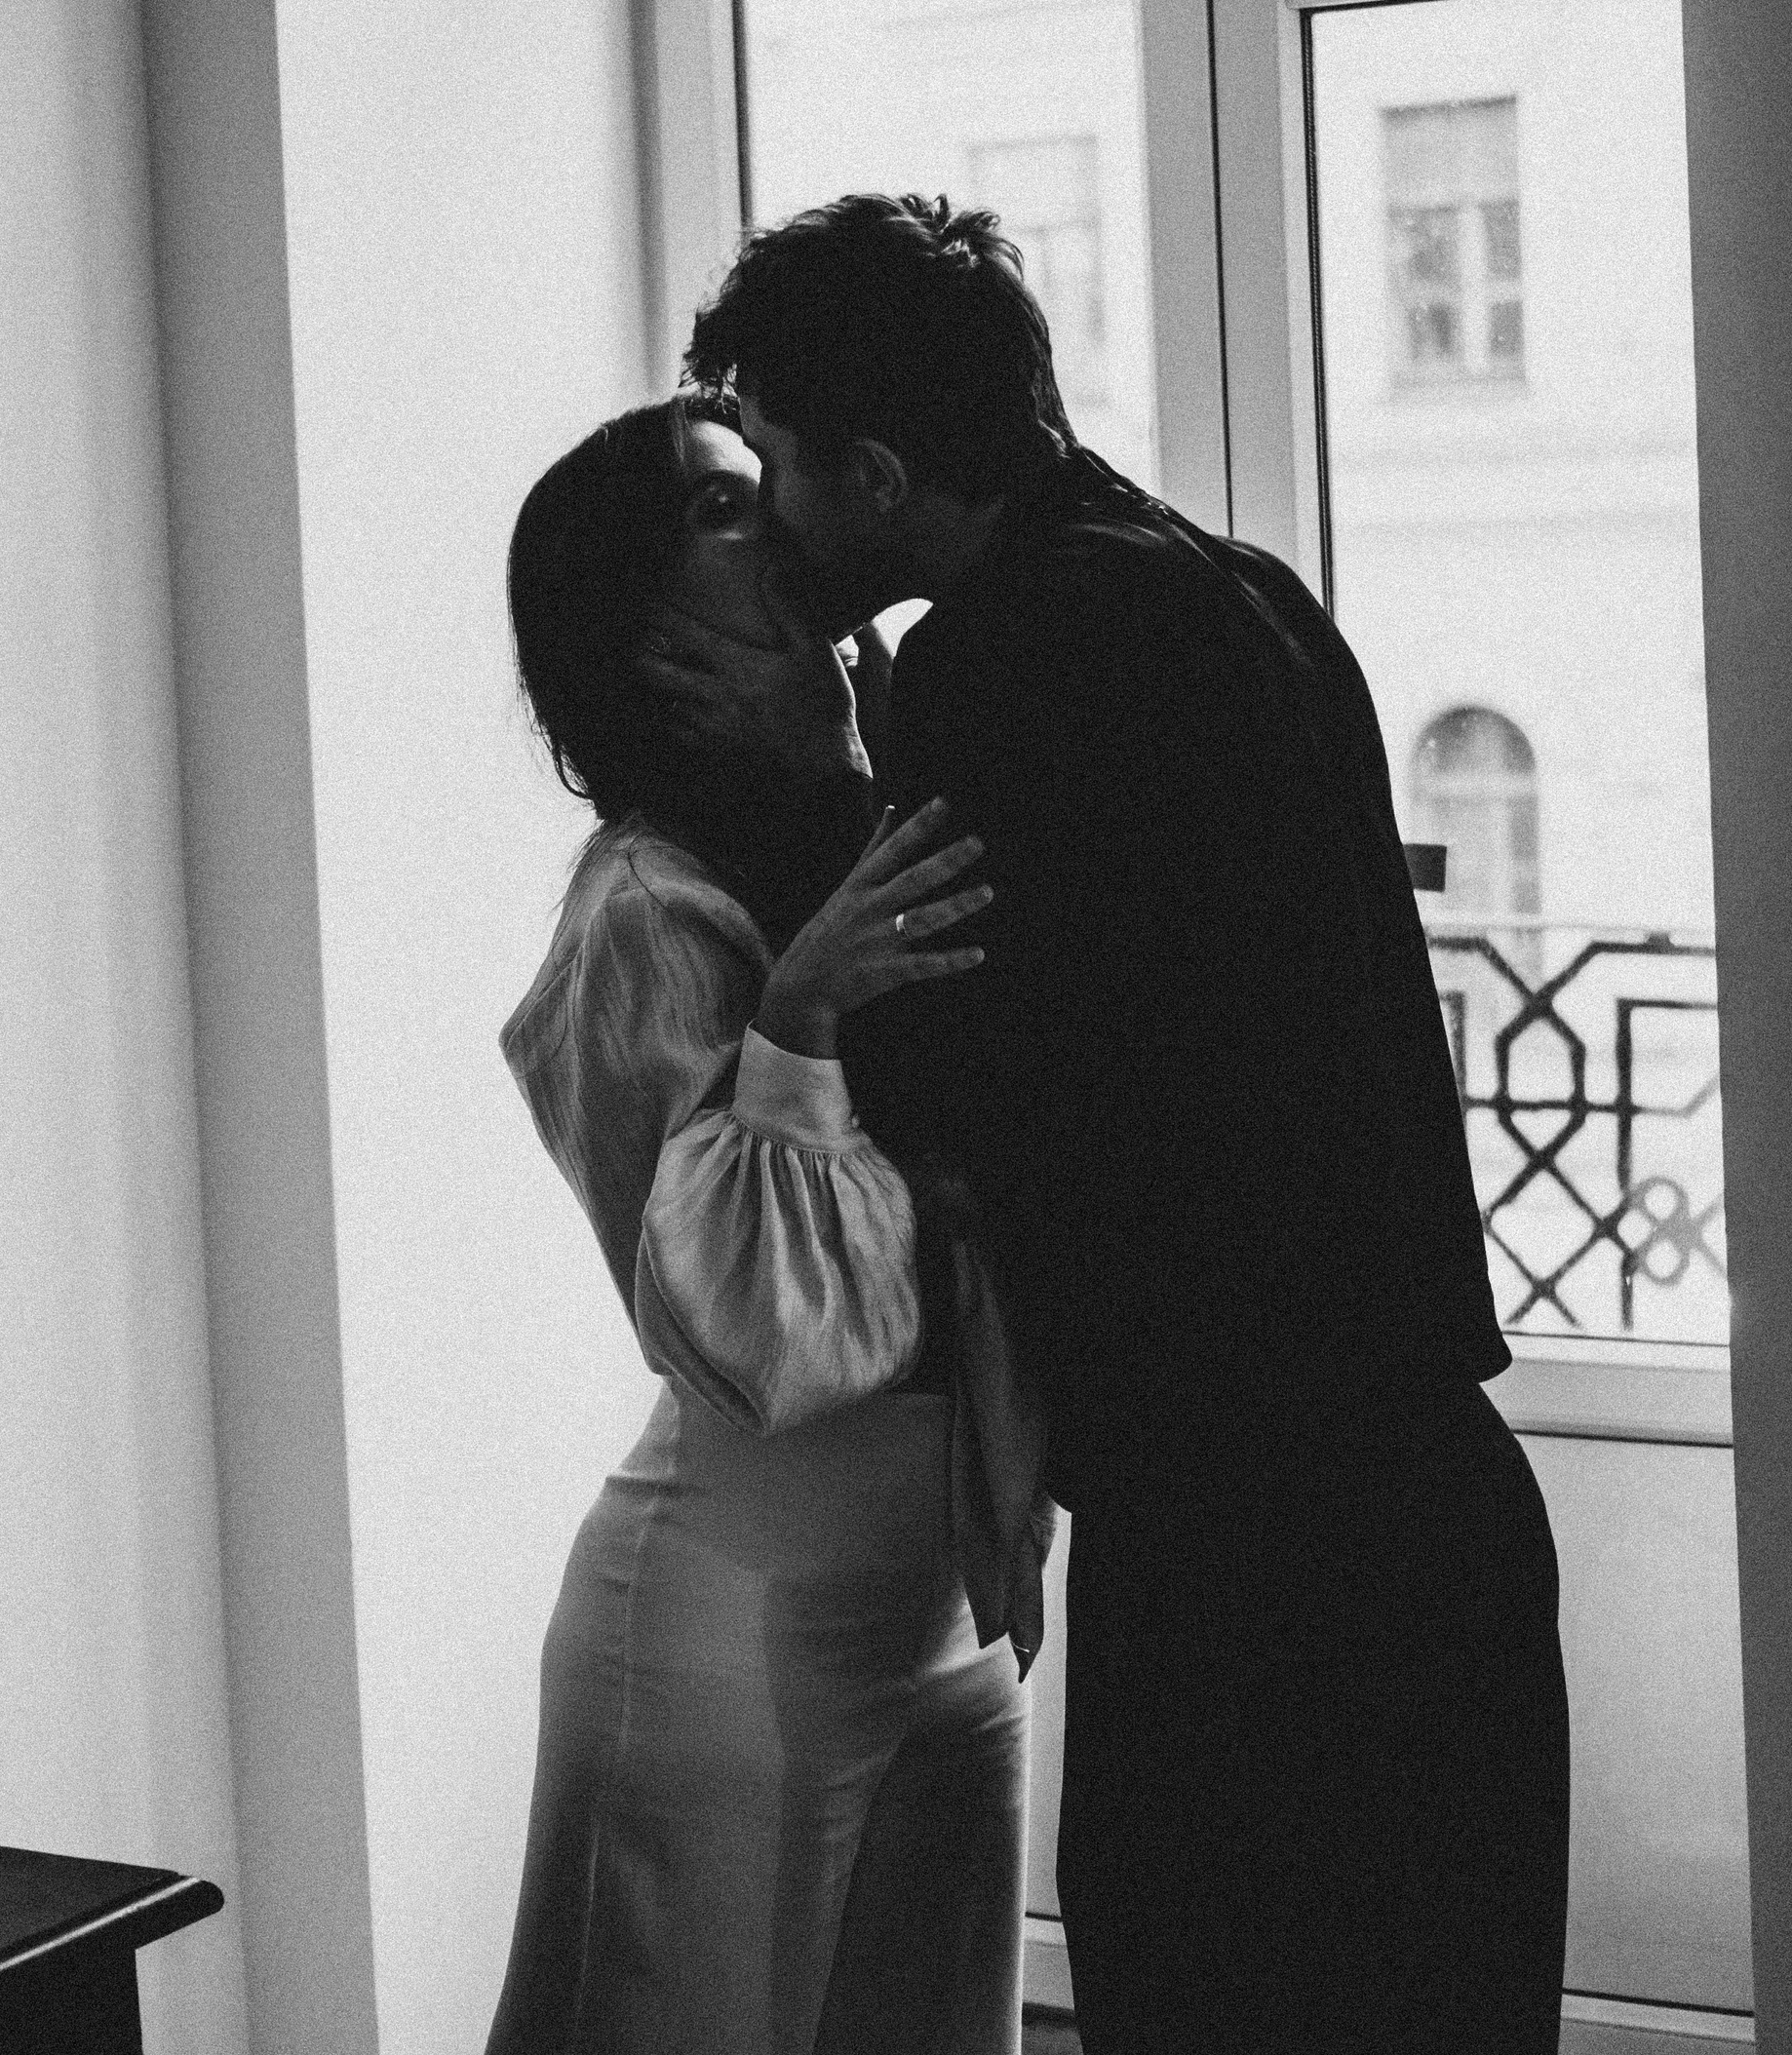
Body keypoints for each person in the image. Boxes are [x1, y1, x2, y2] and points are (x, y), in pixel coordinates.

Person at [677, 194, 1572, 2055]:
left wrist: (820, 793)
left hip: (1255, 1567)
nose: (760, 522)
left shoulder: (1003, 660)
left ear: (876, 473)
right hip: (1441, 1509)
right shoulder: (1245, 592)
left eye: (772, 468)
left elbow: (930, 1102)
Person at [486, 393, 1042, 2055]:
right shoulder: (643, 912)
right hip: (729, 1630)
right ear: (641, 621)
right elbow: (754, 1330)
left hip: (952, 1617)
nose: (784, 526)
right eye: (726, 508)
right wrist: (793, 1022)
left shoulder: (874, 813)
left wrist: (851, 753)